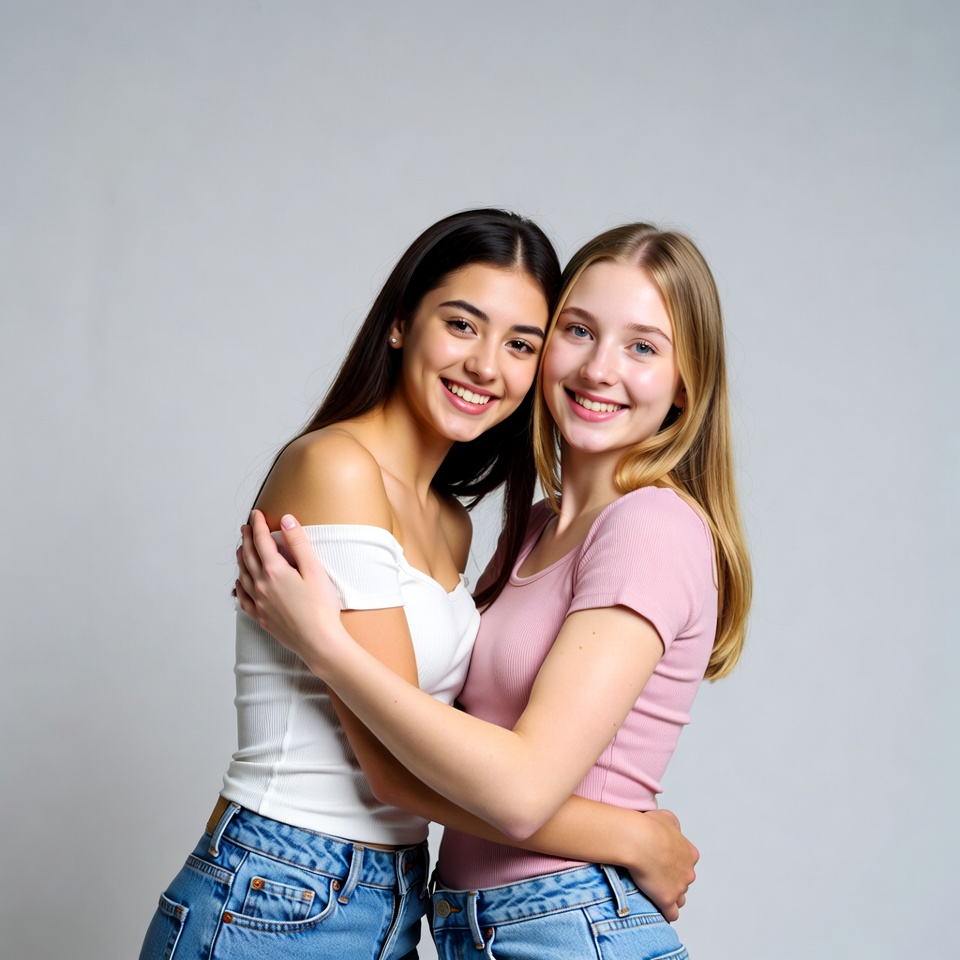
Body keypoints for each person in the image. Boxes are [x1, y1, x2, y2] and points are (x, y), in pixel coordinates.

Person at [140, 211, 699, 960]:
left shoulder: (456, 524)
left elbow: (448, 744)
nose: (486, 366)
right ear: (402, 322)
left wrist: (323, 642)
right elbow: (392, 765)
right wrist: (629, 834)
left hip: (387, 897)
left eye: (521, 344)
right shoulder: (336, 468)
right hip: (281, 883)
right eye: (462, 325)